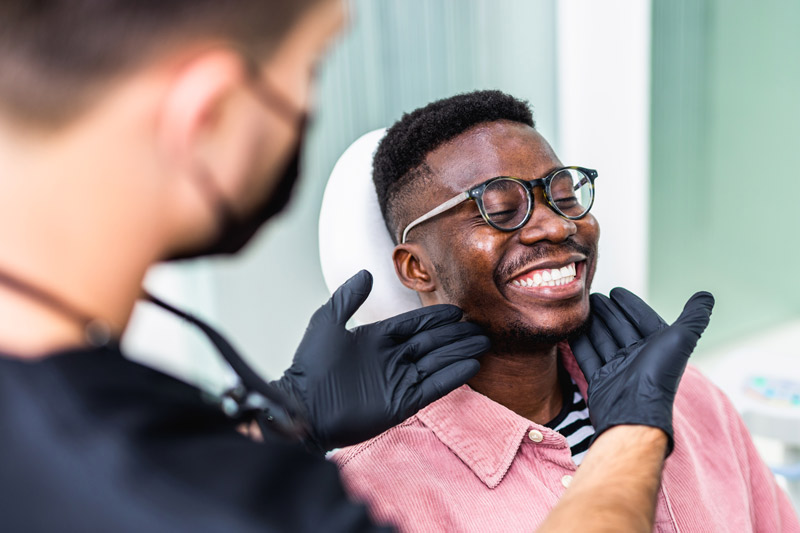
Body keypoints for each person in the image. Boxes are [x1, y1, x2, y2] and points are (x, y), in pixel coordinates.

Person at [0, 1, 730, 531]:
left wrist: (281, 420)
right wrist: (633, 436)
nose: (549, 223)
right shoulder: (288, 498)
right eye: (308, 71)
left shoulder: (78, 430)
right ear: (210, 112)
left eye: (562, 193)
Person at [331, 90, 800, 532]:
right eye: (499, 207)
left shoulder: (687, 399)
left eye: (565, 195)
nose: (557, 225)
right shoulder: (365, 493)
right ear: (416, 268)